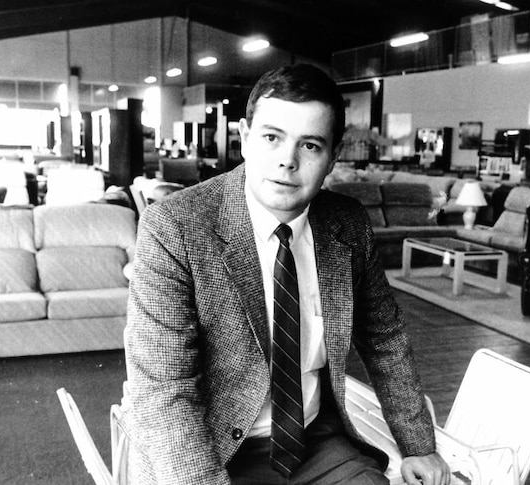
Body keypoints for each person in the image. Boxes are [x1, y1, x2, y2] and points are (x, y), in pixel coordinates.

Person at [125, 64, 451, 485]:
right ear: (244, 138)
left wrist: (419, 445)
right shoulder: (174, 226)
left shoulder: (347, 224)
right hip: (210, 451)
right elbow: (164, 391)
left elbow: (385, 338)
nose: (287, 161)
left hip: (315, 441)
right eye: (271, 137)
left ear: (334, 156)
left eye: (310, 145)